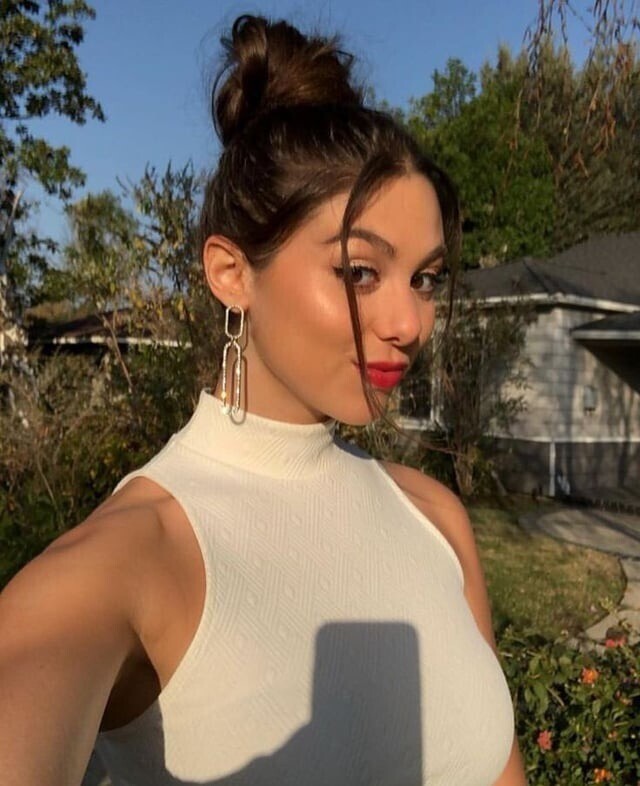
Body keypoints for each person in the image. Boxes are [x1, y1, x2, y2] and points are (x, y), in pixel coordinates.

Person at [0, 14, 527, 786]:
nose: (411, 323)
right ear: (231, 273)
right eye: (359, 272)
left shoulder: (436, 519)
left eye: (424, 278)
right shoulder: (123, 564)